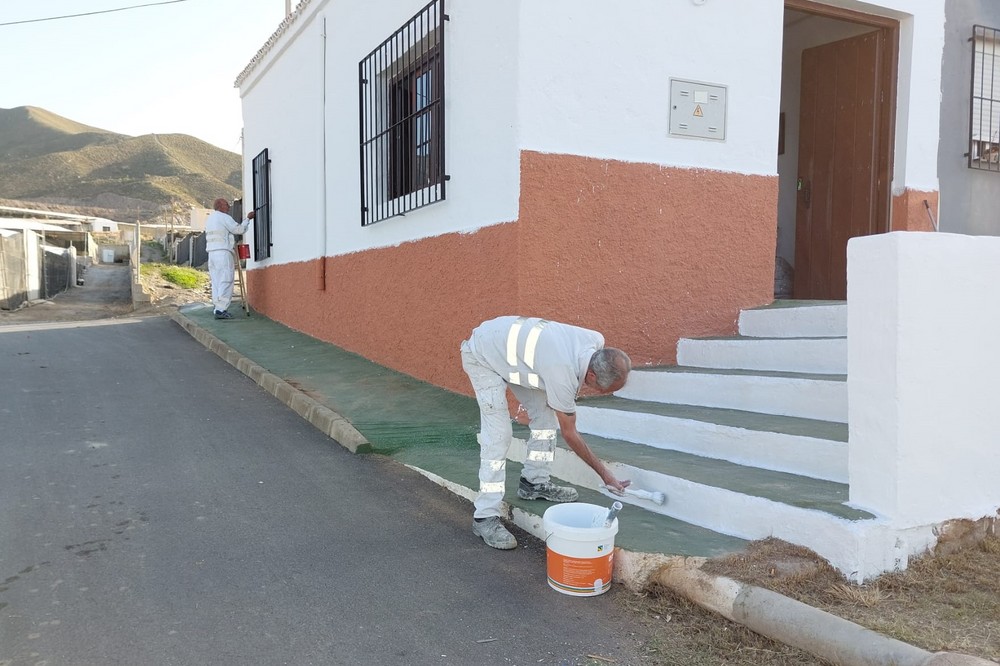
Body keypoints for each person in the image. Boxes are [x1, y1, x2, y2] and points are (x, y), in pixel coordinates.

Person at [460, 315, 633, 549]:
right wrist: (605, 474)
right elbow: (570, 434)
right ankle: (484, 516)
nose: (603, 393)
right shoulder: (562, 375)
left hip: (515, 357)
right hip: (482, 355)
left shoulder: (595, 340)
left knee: (544, 420)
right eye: (604, 389)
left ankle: (534, 483)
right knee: (499, 435)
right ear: (591, 375)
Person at [205, 198, 253, 320]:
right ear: (220, 206)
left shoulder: (210, 218)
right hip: (223, 252)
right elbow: (238, 230)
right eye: (226, 205)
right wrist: (247, 219)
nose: (229, 207)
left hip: (211, 254)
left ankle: (217, 307)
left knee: (216, 282)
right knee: (226, 280)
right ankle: (221, 310)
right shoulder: (224, 217)